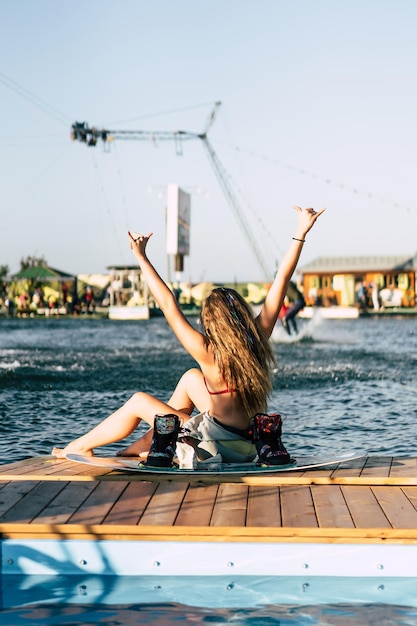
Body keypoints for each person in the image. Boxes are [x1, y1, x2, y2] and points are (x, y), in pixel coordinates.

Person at [52, 205, 325, 466]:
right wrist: (300, 232)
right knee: (191, 379)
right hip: (247, 446)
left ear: (210, 321)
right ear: (241, 313)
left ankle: (79, 446)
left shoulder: (207, 351)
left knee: (137, 401)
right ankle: (142, 446)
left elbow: (168, 304)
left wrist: (141, 257)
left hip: (214, 446)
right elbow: (282, 281)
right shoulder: (256, 340)